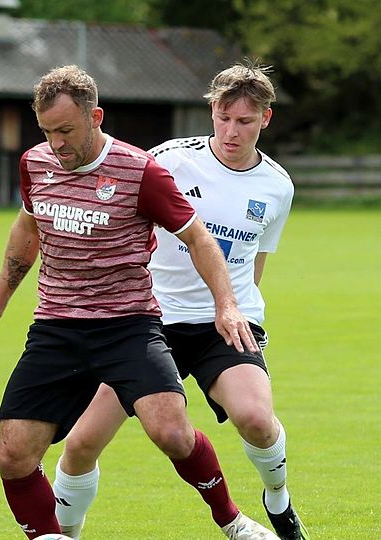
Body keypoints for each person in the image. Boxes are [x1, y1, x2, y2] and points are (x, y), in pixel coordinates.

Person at [0, 65, 278, 540]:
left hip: (128, 325)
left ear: (96, 117)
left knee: (171, 433)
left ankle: (232, 520)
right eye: (48, 132)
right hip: (56, 328)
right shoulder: (35, 163)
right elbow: (27, 229)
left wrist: (227, 304)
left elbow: (199, 239)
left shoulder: (141, 171)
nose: (57, 144)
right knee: (13, 454)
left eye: (66, 131)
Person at [53, 60, 308, 540]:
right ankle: (63, 534)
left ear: (266, 120)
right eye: (223, 118)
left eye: (245, 122)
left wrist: (235, 308)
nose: (231, 131)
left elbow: (256, 264)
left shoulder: (277, 186)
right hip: (147, 322)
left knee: (256, 419)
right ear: (212, 111)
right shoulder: (169, 158)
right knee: (82, 442)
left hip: (223, 321)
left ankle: (278, 498)